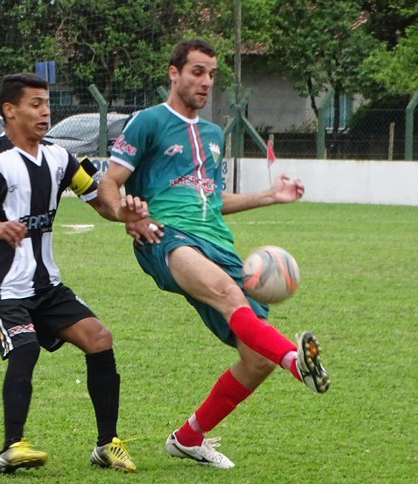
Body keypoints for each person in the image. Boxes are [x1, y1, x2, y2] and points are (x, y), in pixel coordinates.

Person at [97, 39, 331, 470]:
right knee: (228, 293)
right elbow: (110, 183)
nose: (206, 82)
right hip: (165, 237)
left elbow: (212, 198)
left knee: (256, 360)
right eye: (197, 72)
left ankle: (189, 437)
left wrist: (269, 196)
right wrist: (125, 214)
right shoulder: (147, 122)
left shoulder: (211, 134)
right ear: (174, 73)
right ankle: (298, 364)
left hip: (217, 243)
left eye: (211, 74)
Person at [0, 73, 147, 474]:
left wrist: (123, 213)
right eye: (35, 104)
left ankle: (106, 444)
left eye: (47, 103)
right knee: (24, 348)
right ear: (10, 111)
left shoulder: (61, 157)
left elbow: (99, 199)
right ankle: (12, 447)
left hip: (45, 283)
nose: (45, 111)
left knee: (99, 338)